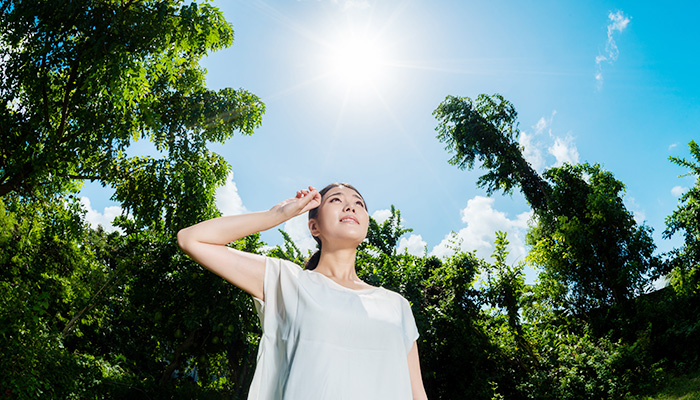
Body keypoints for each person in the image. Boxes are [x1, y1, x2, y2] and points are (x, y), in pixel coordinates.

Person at [177, 183, 428, 400]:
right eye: (336, 200)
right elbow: (191, 239)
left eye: (359, 203)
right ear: (314, 226)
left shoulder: (397, 305)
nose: (350, 207)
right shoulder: (287, 282)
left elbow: (418, 394)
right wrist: (277, 214)